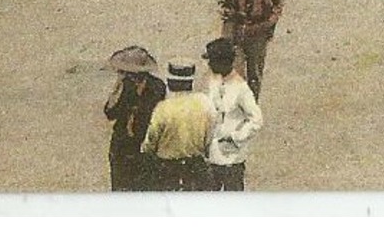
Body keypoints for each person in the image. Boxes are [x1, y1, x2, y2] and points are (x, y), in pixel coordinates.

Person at [218, 0, 284, 99]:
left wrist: (271, 21)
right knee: (236, 72)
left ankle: (252, 105)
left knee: (255, 74)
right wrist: (228, 13)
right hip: (237, 34)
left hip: (258, 34)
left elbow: (279, 3)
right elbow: (222, 4)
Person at [203, 38, 264, 192]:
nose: (209, 65)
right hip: (212, 155)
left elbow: (256, 120)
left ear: (222, 63)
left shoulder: (241, 89)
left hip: (233, 158)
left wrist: (235, 136)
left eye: (212, 61)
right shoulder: (213, 82)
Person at [143, 62, 214, 191]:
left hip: (167, 169)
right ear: (191, 82)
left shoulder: (163, 108)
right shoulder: (204, 102)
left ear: (170, 82)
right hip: (196, 167)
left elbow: (150, 142)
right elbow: (211, 136)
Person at [104, 45, 165, 192]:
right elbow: (110, 112)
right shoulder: (123, 86)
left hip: (144, 142)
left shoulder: (157, 87)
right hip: (122, 144)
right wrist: (117, 89)